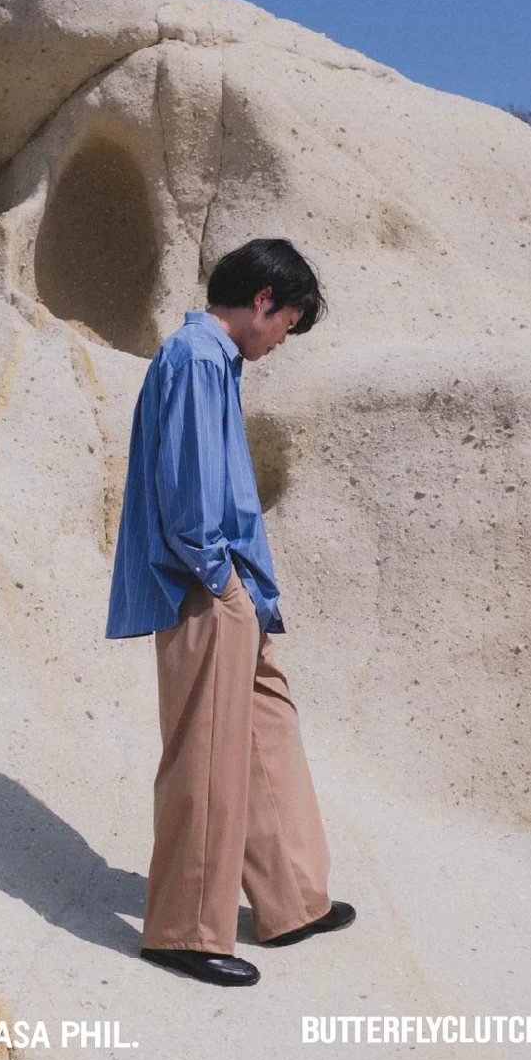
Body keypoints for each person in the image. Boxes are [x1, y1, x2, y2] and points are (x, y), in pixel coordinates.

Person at [105, 237, 355, 986]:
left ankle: (292, 901)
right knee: (209, 758)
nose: (283, 340)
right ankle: (183, 931)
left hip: (233, 585)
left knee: (266, 734)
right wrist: (221, 580)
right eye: (288, 323)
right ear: (263, 300)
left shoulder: (215, 362)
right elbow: (189, 494)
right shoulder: (194, 357)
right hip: (203, 586)